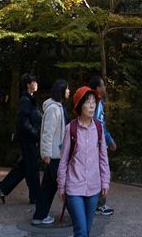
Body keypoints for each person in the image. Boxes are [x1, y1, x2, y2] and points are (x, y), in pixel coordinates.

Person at [58, 86, 110, 237]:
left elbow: (103, 158)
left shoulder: (99, 128)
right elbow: (64, 160)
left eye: (94, 102)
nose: (92, 105)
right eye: (88, 102)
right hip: (74, 187)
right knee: (81, 231)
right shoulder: (71, 129)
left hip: (94, 187)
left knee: (86, 230)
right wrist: (61, 186)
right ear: (80, 105)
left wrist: (105, 181)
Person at [0, 73, 42, 204]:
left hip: (31, 139)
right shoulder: (25, 100)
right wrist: (34, 132)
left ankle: (3, 187)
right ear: (28, 85)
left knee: (25, 166)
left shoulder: (31, 100)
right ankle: (35, 196)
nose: (36, 84)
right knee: (31, 167)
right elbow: (22, 121)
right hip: (28, 139)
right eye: (34, 81)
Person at [32, 78, 70, 226]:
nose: (69, 91)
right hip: (55, 156)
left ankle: (39, 216)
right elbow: (47, 133)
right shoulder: (54, 109)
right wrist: (46, 154)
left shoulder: (58, 107)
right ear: (61, 90)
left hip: (56, 155)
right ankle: (78, 216)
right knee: (63, 185)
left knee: (48, 187)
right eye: (67, 89)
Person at [88, 76, 115, 216]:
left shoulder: (90, 101)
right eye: (103, 85)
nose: (105, 87)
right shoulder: (96, 103)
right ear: (97, 88)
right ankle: (99, 205)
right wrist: (109, 140)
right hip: (97, 144)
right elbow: (100, 125)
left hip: (92, 142)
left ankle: (93, 204)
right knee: (101, 173)